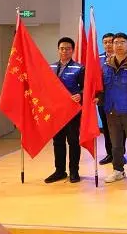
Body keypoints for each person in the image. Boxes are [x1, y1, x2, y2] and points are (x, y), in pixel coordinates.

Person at [96, 32, 127, 184]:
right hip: (111, 110)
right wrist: (98, 98)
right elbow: (101, 87)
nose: (118, 45)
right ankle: (118, 170)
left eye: (122, 42)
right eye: (116, 42)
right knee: (116, 144)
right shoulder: (105, 65)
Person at [45, 37, 85, 184]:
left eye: (68, 49)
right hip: (56, 111)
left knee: (73, 141)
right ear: (58, 50)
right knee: (58, 141)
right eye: (62, 48)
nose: (64, 51)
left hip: (72, 111)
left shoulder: (79, 68)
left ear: (72, 50)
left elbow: (86, 88)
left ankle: (74, 171)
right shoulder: (50, 67)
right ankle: (60, 171)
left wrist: (80, 95)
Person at [98, 32, 115, 165]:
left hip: (120, 100)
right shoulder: (97, 59)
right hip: (103, 100)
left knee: (119, 128)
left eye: (111, 41)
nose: (108, 44)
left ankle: (119, 154)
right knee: (106, 127)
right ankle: (110, 154)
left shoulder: (122, 58)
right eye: (105, 42)